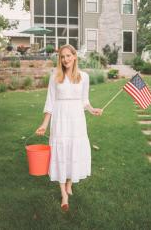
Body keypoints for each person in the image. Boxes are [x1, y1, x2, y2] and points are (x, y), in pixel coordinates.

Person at [36, 44, 103, 211]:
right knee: (60, 151)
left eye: (68, 56)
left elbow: (85, 100)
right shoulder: (55, 76)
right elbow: (50, 102)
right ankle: (63, 193)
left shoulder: (84, 77)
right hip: (60, 118)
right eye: (62, 56)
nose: (65, 59)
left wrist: (92, 109)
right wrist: (44, 124)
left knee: (75, 149)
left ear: (74, 56)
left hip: (76, 119)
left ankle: (69, 183)